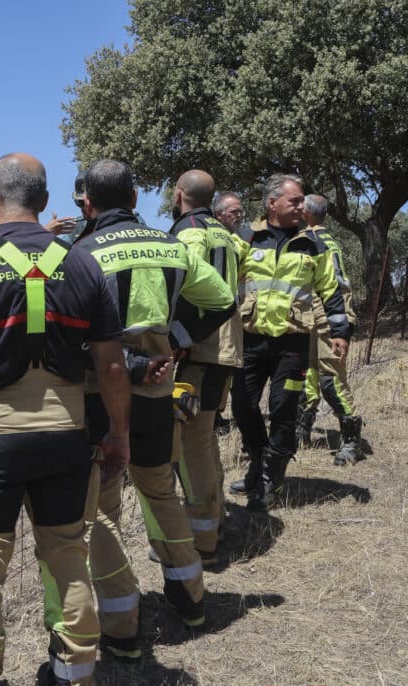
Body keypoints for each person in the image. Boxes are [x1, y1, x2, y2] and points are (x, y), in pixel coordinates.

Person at [0, 153, 130, 686]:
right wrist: (118, 435)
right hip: (66, 433)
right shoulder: (82, 263)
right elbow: (110, 365)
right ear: (43, 199)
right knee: (67, 555)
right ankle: (76, 673)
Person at [74, 160, 236, 661]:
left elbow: (77, 333)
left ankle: (121, 626)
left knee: (101, 510)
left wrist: (131, 358)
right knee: (161, 490)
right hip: (158, 392)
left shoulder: (80, 252)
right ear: (137, 197)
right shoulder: (172, 245)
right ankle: (190, 598)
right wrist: (178, 340)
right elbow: (223, 298)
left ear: (87, 202)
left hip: (101, 394)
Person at [230, 174, 352, 511]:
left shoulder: (314, 243)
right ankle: (258, 460)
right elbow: (224, 280)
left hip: (293, 343)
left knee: (285, 411)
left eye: (302, 201)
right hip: (250, 340)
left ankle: (270, 479)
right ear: (272, 203)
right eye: (295, 201)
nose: (302, 206)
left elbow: (331, 289)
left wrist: (340, 332)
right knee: (242, 405)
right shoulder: (246, 237)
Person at [169, 170, 243, 564]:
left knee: (193, 442)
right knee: (206, 436)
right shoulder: (225, 234)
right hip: (224, 351)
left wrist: (177, 338)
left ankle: (203, 541)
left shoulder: (191, 232)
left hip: (198, 352)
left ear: (178, 195)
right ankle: (215, 519)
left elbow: (186, 291)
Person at [295, 194, 361, 464]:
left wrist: (341, 324)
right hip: (308, 315)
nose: (296, 212)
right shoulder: (316, 239)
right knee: (306, 374)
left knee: (331, 380)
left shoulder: (317, 242)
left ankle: (351, 439)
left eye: (300, 208)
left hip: (327, 317)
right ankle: (302, 429)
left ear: (308, 214)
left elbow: (336, 288)